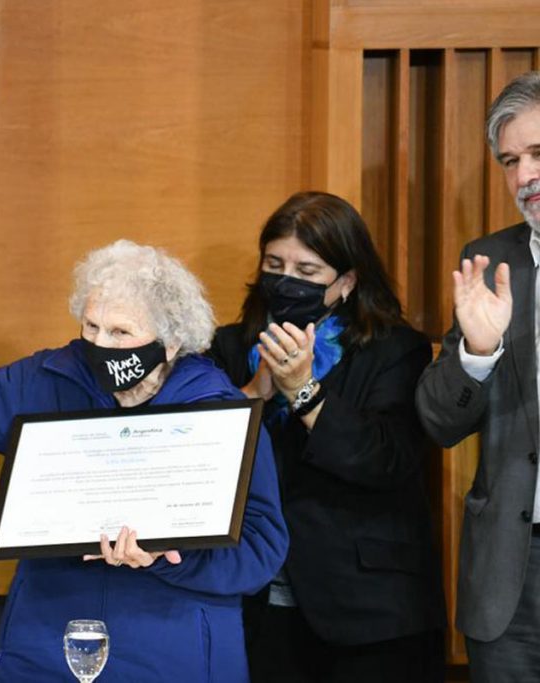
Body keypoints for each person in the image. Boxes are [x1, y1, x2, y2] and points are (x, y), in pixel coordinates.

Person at [0, 240, 288, 682]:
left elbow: (260, 549)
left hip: (171, 650)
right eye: (91, 326)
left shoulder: (218, 413)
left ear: (173, 339)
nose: (100, 344)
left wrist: (166, 555)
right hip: (48, 645)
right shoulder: (52, 377)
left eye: (121, 333)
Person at [207, 191, 446, 682]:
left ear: (347, 281)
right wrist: (255, 390)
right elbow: (205, 460)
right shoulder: (229, 348)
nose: (287, 281)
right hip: (257, 601)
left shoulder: (396, 350)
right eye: (275, 264)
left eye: (308, 271)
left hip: (369, 612)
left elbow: (386, 459)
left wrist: (304, 393)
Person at [416, 70, 540, 681]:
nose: (524, 177)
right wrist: (477, 351)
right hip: (512, 578)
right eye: (510, 161)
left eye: (539, 154)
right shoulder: (490, 260)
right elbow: (439, 422)